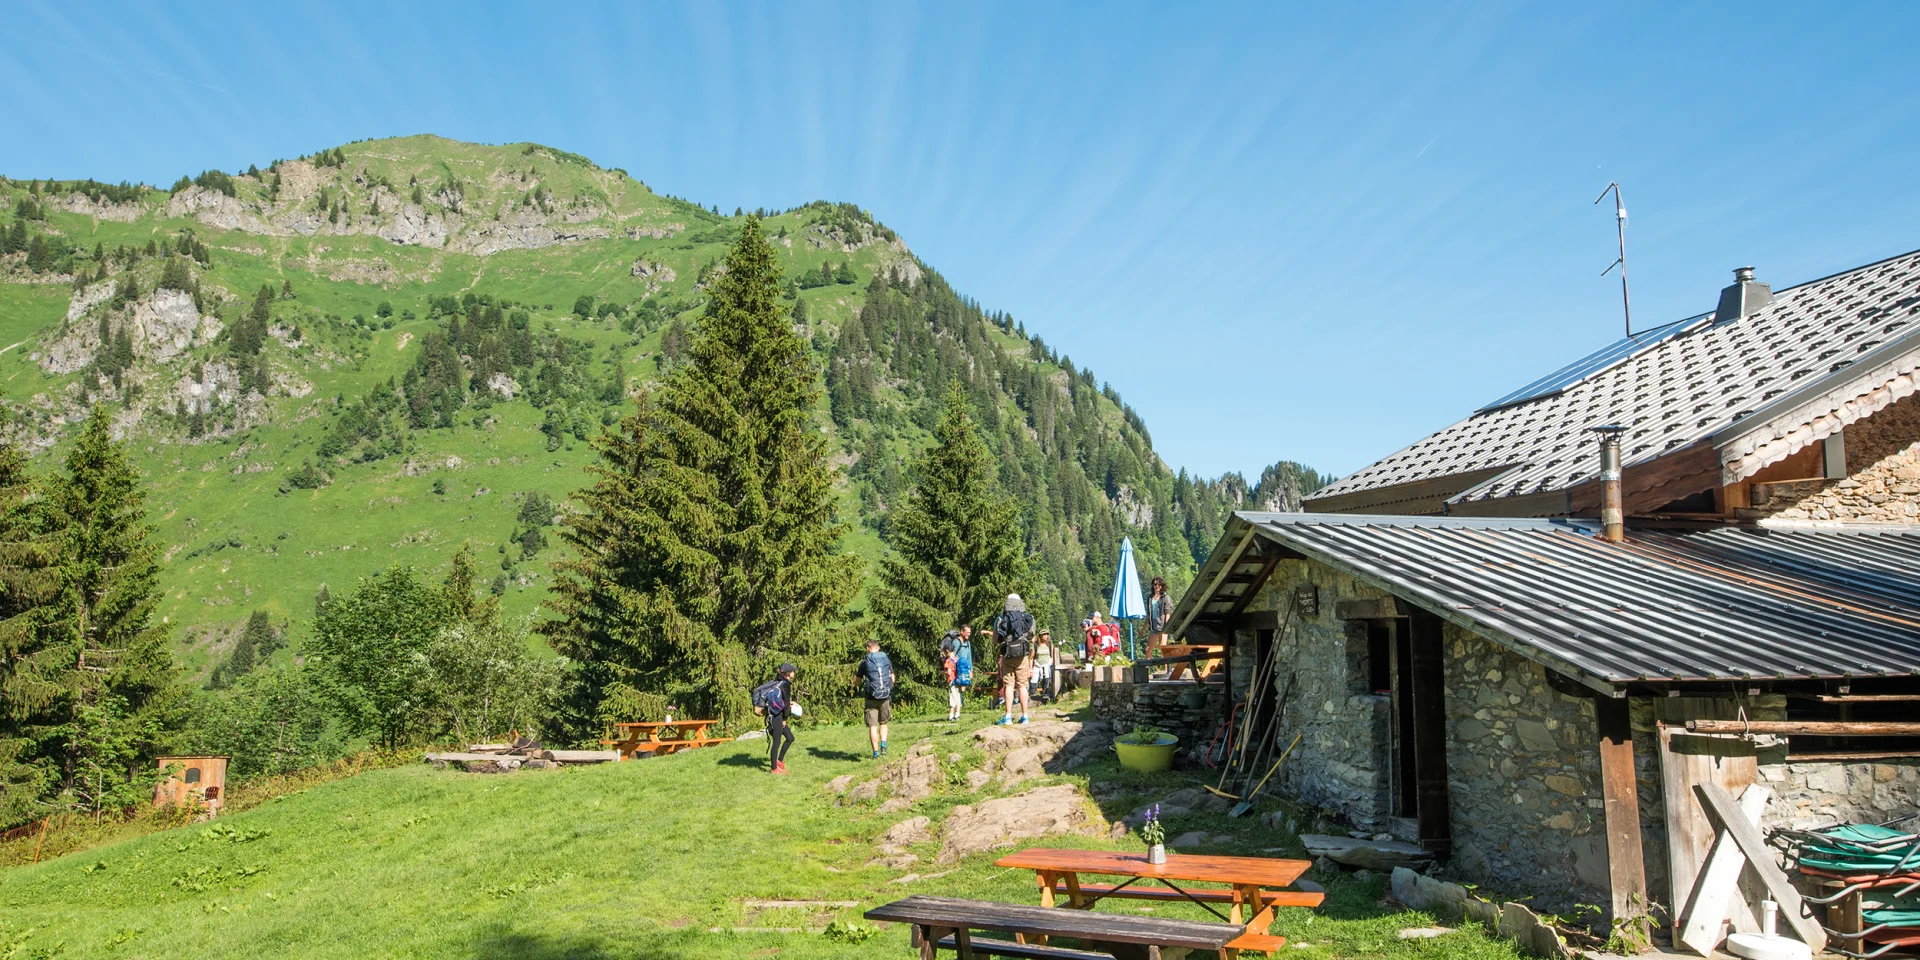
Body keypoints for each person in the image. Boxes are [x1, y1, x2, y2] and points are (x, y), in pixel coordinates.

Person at [993, 594, 1036, 725]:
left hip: (1007, 654)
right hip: (1022, 655)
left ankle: (1008, 716)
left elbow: (995, 639)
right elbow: (1032, 638)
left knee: (1009, 685)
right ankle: (1025, 716)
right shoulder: (1028, 618)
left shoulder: (1000, 618)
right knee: (1022, 685)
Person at [753, 663, 798, 774]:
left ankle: (779, 762)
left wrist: (788, 704)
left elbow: (782, 701)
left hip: (774, 715)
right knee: (776, 743)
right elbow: (786, 704)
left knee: (790, 738)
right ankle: (774, 769)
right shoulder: (785, 685)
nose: (794, 672)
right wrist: (784, 719)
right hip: (777, 717)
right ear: (788, 673)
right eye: (793, 671)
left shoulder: (778, 682)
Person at [856, 638, 895, 758]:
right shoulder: (886, 660)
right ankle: (883, 746)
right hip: (885, 696)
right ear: (878, 648)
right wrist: (888, 689)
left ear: (868, 649)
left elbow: (857, 682)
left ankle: (876, 753)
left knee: (873, 726)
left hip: (871, 697)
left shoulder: (864, 663)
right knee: (883, 723)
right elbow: (892, 678)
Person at [939, 630, 963, 721]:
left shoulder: (948, 661)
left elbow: (949, 672)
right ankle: (958, 714)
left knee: (952, 698)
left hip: (951, 680)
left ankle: (951, 716)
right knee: (958, 697)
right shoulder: (956, 659)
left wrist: (942, 672)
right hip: (958, 680)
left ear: (947, 651)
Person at [1031, 630, 1055, 704]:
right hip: (1037, 665)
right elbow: (1031, 657)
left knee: (1047, 680)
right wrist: (1030, 668)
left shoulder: (1049, 644)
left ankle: (1045, 696)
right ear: (1040, 636)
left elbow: (1052, 655)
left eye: (1047, 634)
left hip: (1047, 665)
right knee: (1034, 680)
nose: (1046, 636)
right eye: (1044, 634)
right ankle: (1032, 696)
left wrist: (1052, 663)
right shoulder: (1036, 645)